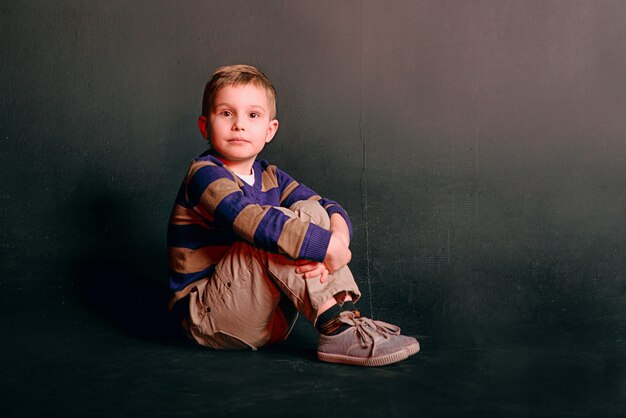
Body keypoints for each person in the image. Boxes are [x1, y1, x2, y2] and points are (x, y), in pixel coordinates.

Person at [167, 64, 419, 366]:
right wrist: (324, 247)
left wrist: (337, 241)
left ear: (270, 130)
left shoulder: (270, 175)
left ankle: (346, 319)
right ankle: (334, 325)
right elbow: (249, 219)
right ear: (205, 126)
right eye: (226, 114)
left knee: (309, 211)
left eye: (253, 115)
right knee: (272, 226)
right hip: (210, 318)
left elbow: (327, 207)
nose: (239, 125)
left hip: (268, 318)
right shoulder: (204, 175)